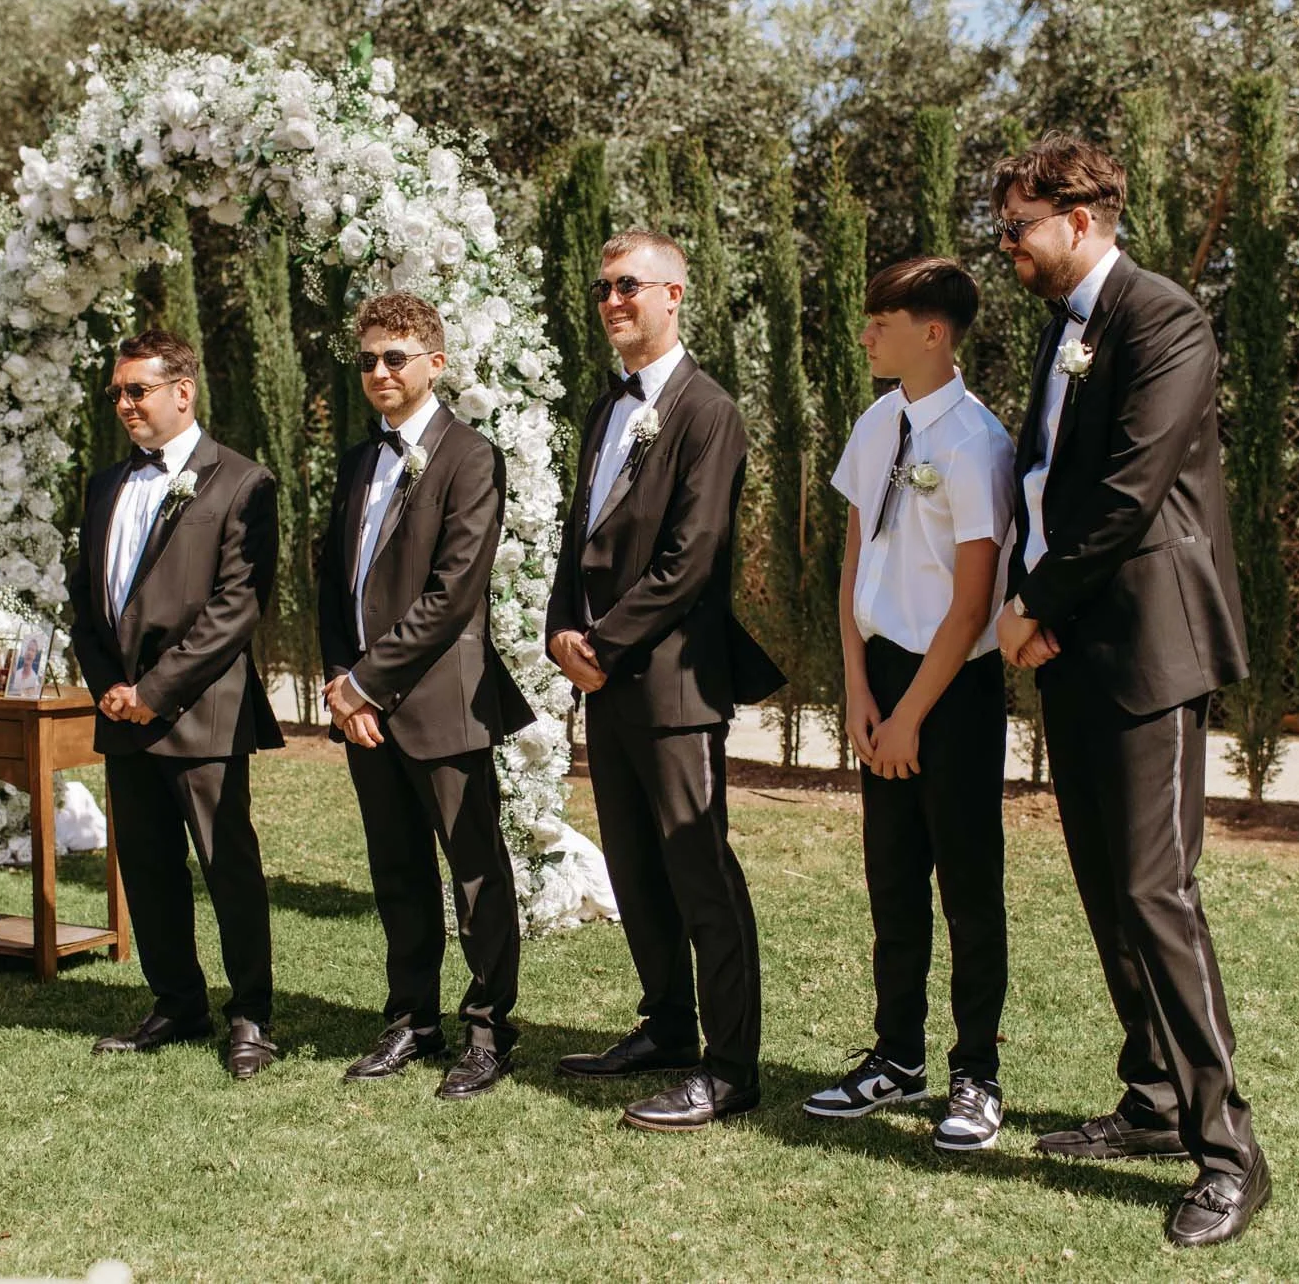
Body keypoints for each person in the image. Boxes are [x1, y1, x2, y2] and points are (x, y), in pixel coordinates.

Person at [990, 134, 1267, 1246]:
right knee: (1108, 888)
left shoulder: (1161, 319)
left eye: (1018, 226)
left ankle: (1228, 1153)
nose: (1007, 246)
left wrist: (1033, 603)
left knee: (1156, 891)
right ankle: (1153, 1098)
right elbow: (1043, 481)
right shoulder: (1067, 329)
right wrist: (1034, 600)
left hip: (1149, 643)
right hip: (1075, 646)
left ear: (1083, 218)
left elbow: (1125, 494)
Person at [546, 229, 785, 1132]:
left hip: (673, 684)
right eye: (602, 287)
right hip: (602, 679)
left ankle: (731, 1068)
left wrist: (603, 645)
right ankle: (665, 1028)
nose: (612, 300)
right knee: (636, 870)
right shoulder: (605, 410)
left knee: (700, 874)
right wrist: (561, 633)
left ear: (674, 295)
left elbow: (692, 559)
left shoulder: (707, 411)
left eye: (628, 286)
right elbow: (582, 537)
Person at [803, 257, 1014, 1153]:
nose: (865, 334)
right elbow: (854, 561)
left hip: (951, 690)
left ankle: (977, 1076)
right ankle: (896, 1056)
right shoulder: (876, 421)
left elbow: (972, 605)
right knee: (891, 882)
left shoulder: (978, 442)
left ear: (933, 331)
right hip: (879, 682)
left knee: (967, 886)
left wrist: (913, 716)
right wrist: (857, 690)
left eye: (880, 321)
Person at [317, 292, 536, 1100]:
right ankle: (411, 1016)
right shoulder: (354, 462)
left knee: (474, 871)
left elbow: (452, 593)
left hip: (444, 703)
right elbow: (332, 585)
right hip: (363, 713)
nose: (379, 370)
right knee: (397, 871)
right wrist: (344, 683)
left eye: (395, 357)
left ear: (434, 364)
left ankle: (488, 1030)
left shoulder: (470, 457)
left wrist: (370, 681)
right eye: (369, 357)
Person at [66, 329, 283, 1079]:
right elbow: (84, 602)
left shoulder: (241, 481)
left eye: (138, 390)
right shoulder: (103, 486)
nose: (124, 404)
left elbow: (236, 607)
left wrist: (154, 692)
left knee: (228, 865)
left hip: (202, 712)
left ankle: (251, 1010)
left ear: (182, 392)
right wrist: (108, 688)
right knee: (148, 866)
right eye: (118, 393)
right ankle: (176, 1000)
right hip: (120, 711)